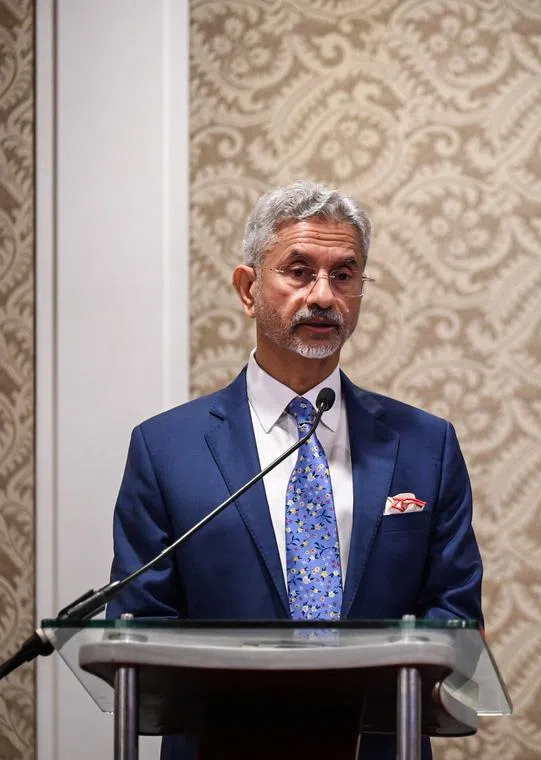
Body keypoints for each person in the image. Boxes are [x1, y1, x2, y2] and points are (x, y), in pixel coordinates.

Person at [107, 180, 483, 760]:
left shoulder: (425, 445)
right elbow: (140, 625)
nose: (324, 296)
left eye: (344, 274)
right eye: (299, 271)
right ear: (248, 289)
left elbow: (454, 615)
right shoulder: (165, 449)